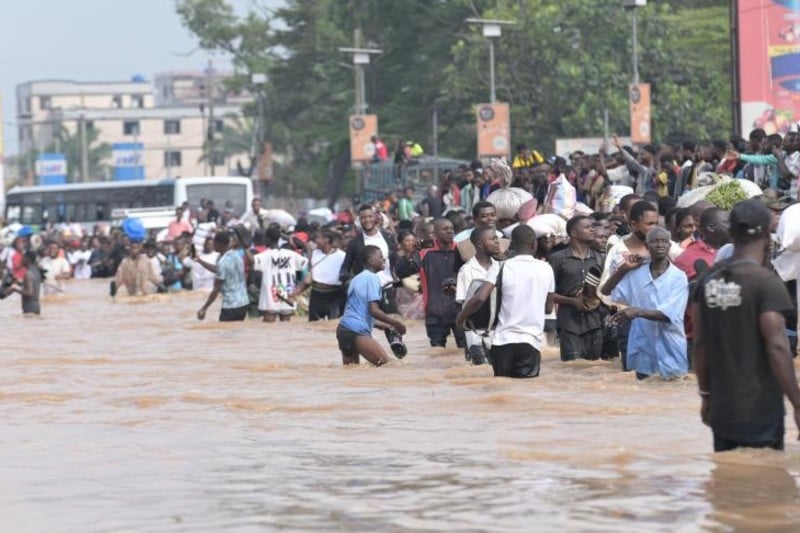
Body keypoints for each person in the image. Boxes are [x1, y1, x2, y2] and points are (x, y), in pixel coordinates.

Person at [693, 198, 800, 452]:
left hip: (722, 408)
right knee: (764, 483)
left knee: (726, 483)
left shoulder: (709, 281)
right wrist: (797, 403)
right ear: (767, 232)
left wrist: (705, 396)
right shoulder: (767, 283)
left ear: (731, 232)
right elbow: (777, 348)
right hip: (761, 409)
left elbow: (701, 345)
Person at [456, 225, 555, 378]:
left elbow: (480, 298)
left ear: (510, 244)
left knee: (502, 388)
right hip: (531, 341)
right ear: (534, 244)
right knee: (526, 391)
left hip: (502, 341)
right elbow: (548, 308)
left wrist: (461, 318)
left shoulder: (501, 266)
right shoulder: (546, 268)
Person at [604, 227, 689, 380]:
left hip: (671, 348)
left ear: (669, 246)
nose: (660, 245)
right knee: (641, 396)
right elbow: (606, 291)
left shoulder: (679, 277)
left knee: (673, 393)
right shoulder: (636, 273)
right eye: (655, 242)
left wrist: (637, 312)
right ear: (647, 246)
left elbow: (668, 315)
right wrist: (623, 269)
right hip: (642, 348)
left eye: (664, 241)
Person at [396, 218, 465, 348]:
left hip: (459, 310)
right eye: (445, 229)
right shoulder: (424, 250)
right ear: (435, 233)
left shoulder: (461, 249)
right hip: (434, 312)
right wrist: (410, 253)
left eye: (451, 228)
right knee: (437, 354)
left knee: (465, 352)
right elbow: (401, 272)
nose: (449, 231)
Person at [336, 245, 407, 366]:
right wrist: (396, 323)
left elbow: (358, 312)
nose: (384, 260)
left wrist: (385, 326)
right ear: (371, 261)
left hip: (343, 330)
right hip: (356, 331)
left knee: (352, 374)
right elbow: (374, 310)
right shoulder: (373, 278)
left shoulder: (356, 279)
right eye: (380, 257)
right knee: (390, 366)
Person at [549, 215, 606, 361]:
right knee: (570, 370)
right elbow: (547, 293)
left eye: (592, 227)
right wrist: (572, 301)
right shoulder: (558, 258)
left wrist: (595, 296)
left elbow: (607, 289)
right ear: (573, 233)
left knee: (593, 372)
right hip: (569, 325)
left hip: (595, 324)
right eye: (587, 227)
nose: (592, 230)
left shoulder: (600, 258)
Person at [455, 227, 501, 365]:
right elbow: (463, 303)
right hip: (475, 334)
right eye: (493, 239)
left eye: (497, 238)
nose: (497, 242)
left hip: (498, 331)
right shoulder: (467, 270)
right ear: (480, 244)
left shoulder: (502, 266)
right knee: (481, 372)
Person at [253, 225, 309, 322]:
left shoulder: (265, 255)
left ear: (267, 238)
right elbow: (306, 262)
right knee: (286, 327)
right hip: (288, 293)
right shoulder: (291, 254)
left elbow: (253, 262)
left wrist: (244, 246)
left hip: (272, 294)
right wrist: (292, 239)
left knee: (268, 327)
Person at [291, 229, 346, 321]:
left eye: (317, 238)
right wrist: (294, 294)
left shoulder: (342, 256)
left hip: (334, 296)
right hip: (316, 295)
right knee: (312, 325)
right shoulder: (314, 254)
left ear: (327, 239)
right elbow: (308, 280)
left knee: (333, 326)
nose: (315, 241)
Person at [339, 204, 396, 288]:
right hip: (366, 291)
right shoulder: (354, 243)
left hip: (389, 289)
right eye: (363, 217)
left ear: (375, 217)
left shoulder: (388, 237)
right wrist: (356, 281)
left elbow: (396, 261)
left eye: (370, 216)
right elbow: (344, 269)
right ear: (359, 220)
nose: (367, 220)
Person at [197, 231, 250, 321]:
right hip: (243, 303)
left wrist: (204, 308)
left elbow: (215, 290)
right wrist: (200, 261)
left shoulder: (223, 262)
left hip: (230, 306)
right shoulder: (236, 254)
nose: (213, 245)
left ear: (219, 244)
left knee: (225, 335)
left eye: (214, 243)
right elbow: (219, 270)